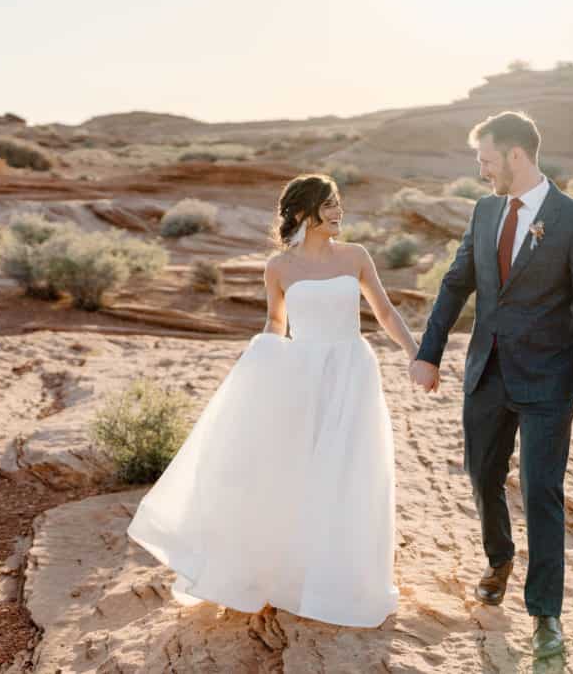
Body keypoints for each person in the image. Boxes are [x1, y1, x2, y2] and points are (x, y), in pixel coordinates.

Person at [127, 173, 417, 627]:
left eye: (338, 203)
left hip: (352, 372)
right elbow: (276, 324)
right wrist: (257, 366)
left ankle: (341, 578)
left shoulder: (356, 256)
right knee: (296, 470)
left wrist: (416, 354)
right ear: (304, 212)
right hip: (300, 375)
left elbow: (383, 311)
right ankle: (288, 575)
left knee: (350, 469)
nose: (339, 211)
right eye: (329, 204)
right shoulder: (278, 267)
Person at [409, 111, 573, 659]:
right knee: (482, 476)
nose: (482, 171)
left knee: (542, 491)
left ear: (516, 155)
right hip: (486, 374)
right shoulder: (485, 211)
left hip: (548, 381)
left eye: (487, 161)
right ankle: (499, 559)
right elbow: (456, 284)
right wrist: (429, 353)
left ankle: (545, 613)